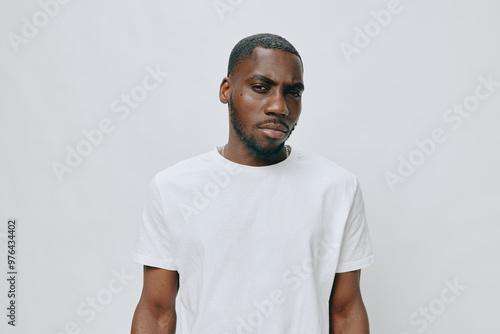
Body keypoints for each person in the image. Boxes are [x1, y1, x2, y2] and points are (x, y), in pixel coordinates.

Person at [130, 33, 374, 334]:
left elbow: (346, 310)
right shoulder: (173, 187)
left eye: (293, 93)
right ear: (226, 90)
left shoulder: (337, 187)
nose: (279, 107)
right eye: (261, 88)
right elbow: (156, 312)